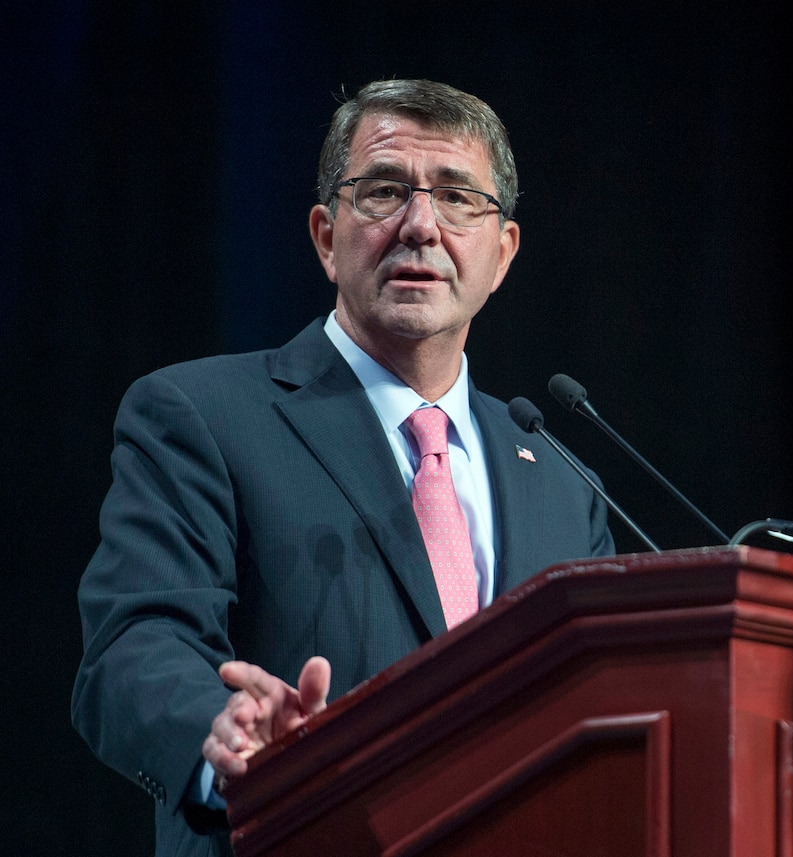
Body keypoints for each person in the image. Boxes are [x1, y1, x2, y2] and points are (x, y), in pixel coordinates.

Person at [71, 78, 616, 856]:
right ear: (327, 237)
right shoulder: (203, 415)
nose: (421, 226)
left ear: (503, 253)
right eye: (386, 191)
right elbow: (134, 648)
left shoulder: (563, 482)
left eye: (460, 198)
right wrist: (221, 739)